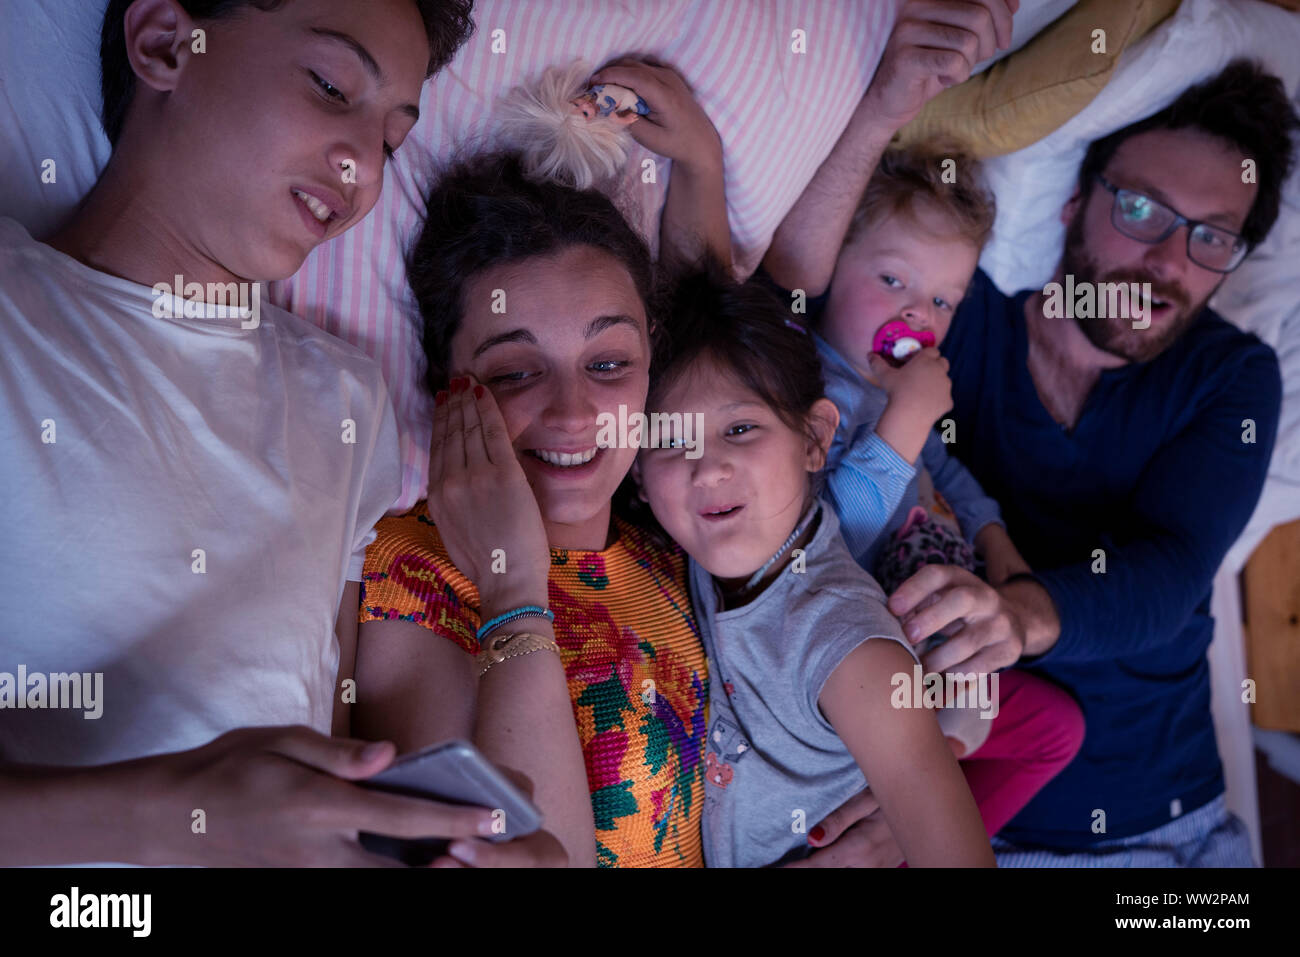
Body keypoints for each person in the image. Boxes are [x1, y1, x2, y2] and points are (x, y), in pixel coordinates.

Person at [0, 0, 564, 868]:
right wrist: (167, 817)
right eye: (332, 86)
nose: (362, 171)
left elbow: (327, 744)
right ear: (163, 45)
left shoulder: (345, 398)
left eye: (392, 140)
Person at [765, 54, 1299, 865]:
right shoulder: (958, 312)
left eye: (1212, 236)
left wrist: (1018, 609)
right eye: (1142, 207)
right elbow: (794, 303)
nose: (1167, 258)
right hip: (918, 800)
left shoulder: (1230, 377)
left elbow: (1173, 569)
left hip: (1165, 841)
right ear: (1076, 201)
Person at [630, 269, 1082, 867]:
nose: (707, 468)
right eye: (671, 442)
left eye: (741, 429)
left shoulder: (845, 647)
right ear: (635, 470)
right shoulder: (704, 551)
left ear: (815, 437)